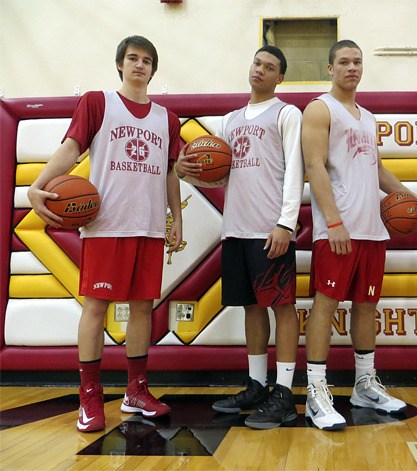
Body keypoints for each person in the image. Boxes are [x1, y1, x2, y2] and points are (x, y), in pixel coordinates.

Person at [27, 36, 183, 433]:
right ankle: (90, 395)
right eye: (133, 58)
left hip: (147, 225)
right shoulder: (98, 102)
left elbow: (169, 171)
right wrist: (37, 185)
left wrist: (175, 217)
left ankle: (136, 389)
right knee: (96, 307)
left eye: (147, 60)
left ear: (153, 69)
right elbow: (70, 149)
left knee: (143, 308)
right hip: (106, 226)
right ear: (120, 64)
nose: (140, 65)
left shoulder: (167, 117)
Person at [301, 39, 417, 431]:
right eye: (343, 62)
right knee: (325, 305)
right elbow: (315, 167)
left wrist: (406, 195)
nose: (351, 67)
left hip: (372, 229)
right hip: (338, 228)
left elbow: (377, 170)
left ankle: (364, 385)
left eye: (357, 62)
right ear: (330, 68)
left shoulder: (368, 117)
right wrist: (334, 221)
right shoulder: (320, 109)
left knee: (366, 306)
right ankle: (316, 392)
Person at [175, 46, 304, 430]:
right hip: (235, 228)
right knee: (251, 307)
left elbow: (295, 170)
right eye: (257, 63)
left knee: (282, 306)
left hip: (271, 229)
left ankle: (283, 393)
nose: (260, 70)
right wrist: (185, 173)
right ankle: (256, 384)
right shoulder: (229, 120)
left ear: (280, 78)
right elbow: (221, 175)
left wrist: (287, 223)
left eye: (270, 67)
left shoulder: (287, 114)